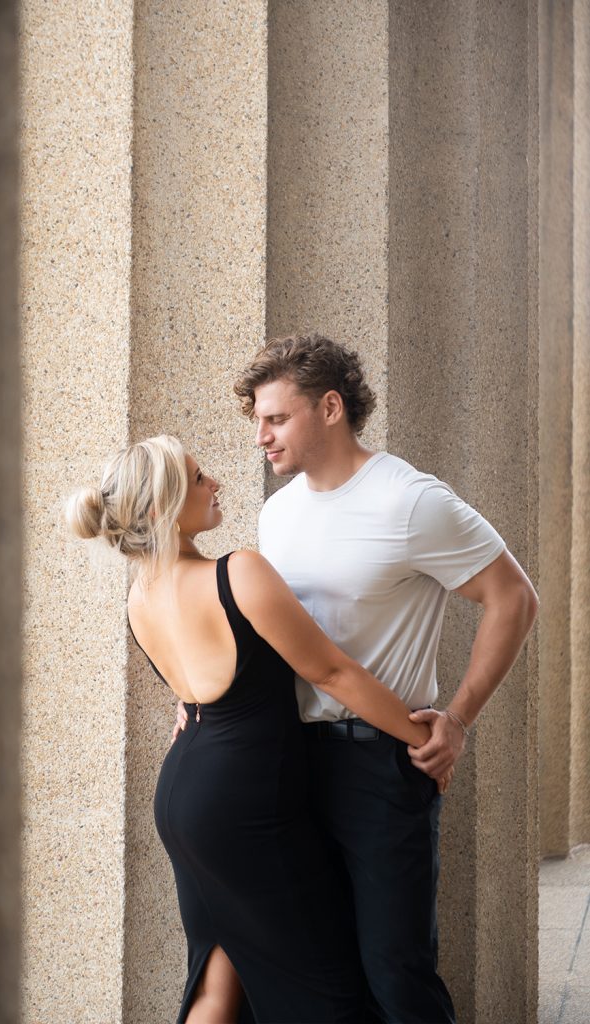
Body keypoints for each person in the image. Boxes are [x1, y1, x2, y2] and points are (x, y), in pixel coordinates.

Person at [66, 434, 441, 1024]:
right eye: (197, 477)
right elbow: (333, 671)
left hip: (185, 796)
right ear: (164, 509)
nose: (215, 482)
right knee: (324, 988)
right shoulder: (237, 572)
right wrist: (426, 739)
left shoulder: (141, 595)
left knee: (221, 973)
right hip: (246, 804)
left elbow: (192, 695)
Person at [227, 332, 538, 1023]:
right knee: (311, 966)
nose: (260, 438)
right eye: (257, 422)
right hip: (282, 759)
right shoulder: (277, 513)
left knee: (394, 968)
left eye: (274, 419)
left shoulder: (408, 501)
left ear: (329, 407)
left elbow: (512, 598)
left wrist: (456, 717)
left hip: (377, 763)